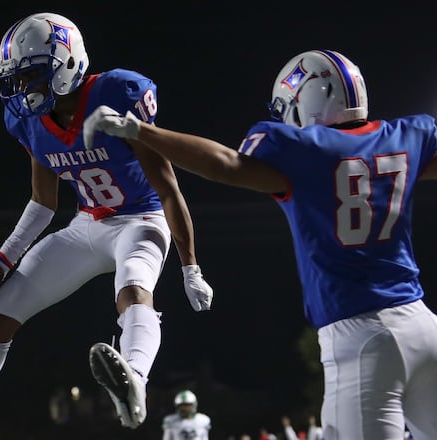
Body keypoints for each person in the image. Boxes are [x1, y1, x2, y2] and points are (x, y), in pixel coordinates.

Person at [82, 49, 437, 439]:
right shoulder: (406, 137)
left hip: (361, 335)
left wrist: (140, 131)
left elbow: (225, 164)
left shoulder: (308, 152)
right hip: (423, 326)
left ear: (309, 100)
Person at [0, 12, 214, 440]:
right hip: (86, 223)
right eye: (17, 79)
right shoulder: (28, 120)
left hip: (141, 218)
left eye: (31, 76)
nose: (23, 89)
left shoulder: (117, 95)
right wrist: (2, 260)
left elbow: (168, 188)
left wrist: (190, 267)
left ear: (65, 64)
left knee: (133, 290)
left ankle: (134, 380)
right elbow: (43, 202)